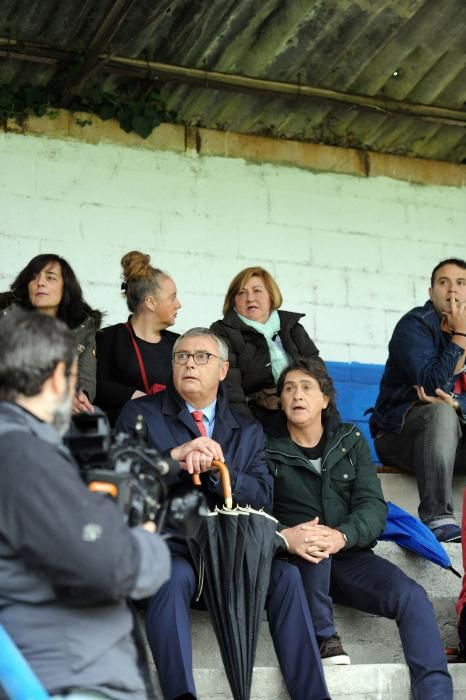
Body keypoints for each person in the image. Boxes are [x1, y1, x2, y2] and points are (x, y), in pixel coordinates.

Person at [117, 327, 331, 700]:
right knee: (169, 576)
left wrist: (219, 467)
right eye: (181, 356)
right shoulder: (141, 413)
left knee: (285, 577)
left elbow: (263, 497)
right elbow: (118, 483)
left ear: (222, 370)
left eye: (202, 357)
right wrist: (175, 459)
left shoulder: (246, 429)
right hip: (173, 548)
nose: (189, 363)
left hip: (231, 555)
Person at [0, 309, 171, 700]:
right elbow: (109, 567)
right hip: (67, 676)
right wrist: (147, 542)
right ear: (59, 376)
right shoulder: (23, 455)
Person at [266, 357, 453, 700]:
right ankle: (325, 638)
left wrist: (343, 536)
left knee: (412, 597)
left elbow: (372, 505)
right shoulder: (267, 448)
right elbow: (257, 512)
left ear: (325, 398)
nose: (297, 395)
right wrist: (288, 537)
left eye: (307, 387)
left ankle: (436, 694)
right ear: (280, 400)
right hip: (297, 559)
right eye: (289, 388)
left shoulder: (349, 440)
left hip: (350, 556)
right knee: (313, 545)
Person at [370, 258, 466, 543]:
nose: (452, 290)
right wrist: (461, 336)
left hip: (454, 444)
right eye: (443, 283)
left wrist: (458, 405)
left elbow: (447, 397)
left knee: (448, 412)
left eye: (461, 283)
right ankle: (438, 517)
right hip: (400, 436)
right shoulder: (414, 326)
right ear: (431, 292)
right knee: (440, 414)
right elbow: (432, 384)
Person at [210, 266, 319, 429]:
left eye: (257, 291)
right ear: (233, 302)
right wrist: (249, 432)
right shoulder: (223, 333)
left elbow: (320, 378)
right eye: (242, 293)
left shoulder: (292, 327)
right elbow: (231, 393)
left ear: (271, 295)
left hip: (302, 415)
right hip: (258, 420)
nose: (250, 298)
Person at [0, 253, 101, 414]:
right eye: (34, 278)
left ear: (65, 287)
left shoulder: (83, 327)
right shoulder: (6, 320)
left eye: (50, 278)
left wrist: (79, 395)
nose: (40, 283)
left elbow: (86, 373)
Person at [95, 250, 181, 425]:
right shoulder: (108, 338)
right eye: (172, 298)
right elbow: (96, 385)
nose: (179, 304)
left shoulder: (180, 343)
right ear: (150, 302)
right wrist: (137, 397)